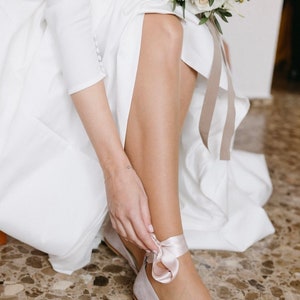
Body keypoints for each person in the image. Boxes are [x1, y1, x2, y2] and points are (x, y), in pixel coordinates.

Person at [0, 0, 274, 299]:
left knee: (175, 29)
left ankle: (149, 238)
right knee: (159, 28)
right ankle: (168, 263)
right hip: (57, 35)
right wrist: (116, 172)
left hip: (124, 33)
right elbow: (69, 22)